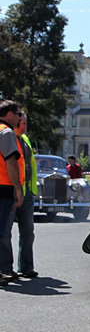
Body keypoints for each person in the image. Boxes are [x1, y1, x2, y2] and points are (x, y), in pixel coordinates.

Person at [1, 111, 36, 278]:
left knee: (28, 231)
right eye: (20, 123)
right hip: (10, 189)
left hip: (26, 190)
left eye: (25, 124)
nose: (22, 126)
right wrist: (16, 187)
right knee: (5, 231)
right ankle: (6, 269)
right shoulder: (7, 137)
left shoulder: (25, 140)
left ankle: (27, 267)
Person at [0, 100, 25, 285]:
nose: (19, 117)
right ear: (9, 114)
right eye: (18, 114)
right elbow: (10, 161)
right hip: (3, 188)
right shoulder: (6, 132)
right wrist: (18, 187)